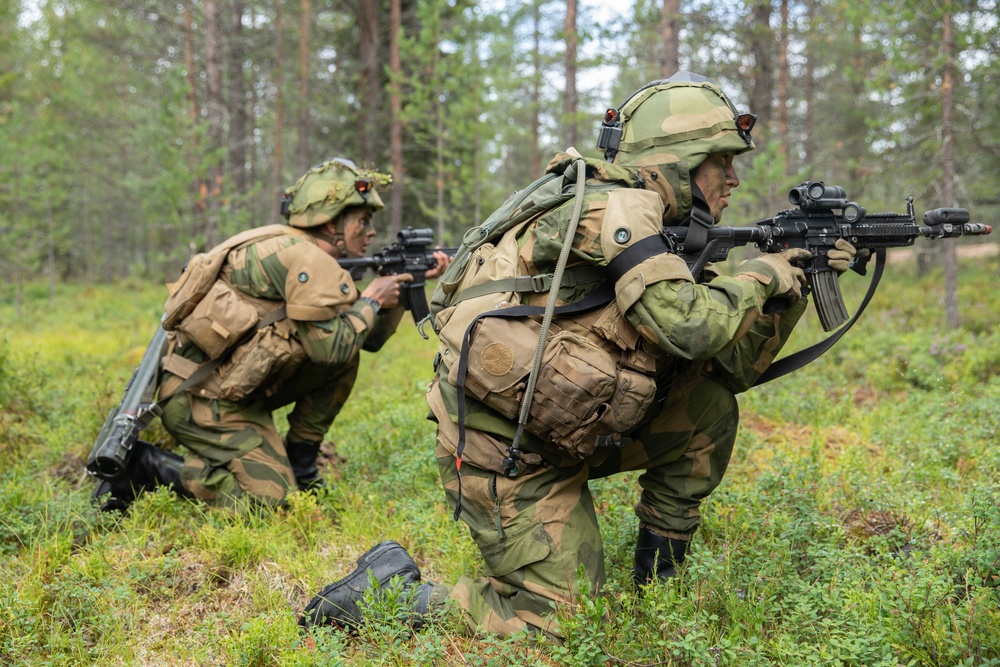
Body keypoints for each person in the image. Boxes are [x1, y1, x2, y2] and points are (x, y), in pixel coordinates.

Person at [300, 74, 856, 637]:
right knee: (559, 624)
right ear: (679, 162)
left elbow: (731, 366)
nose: (733, 178)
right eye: (721, 162)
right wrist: (766, 273)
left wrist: (796, 282)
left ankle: (659, 587)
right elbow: (690, 327)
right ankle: (384, 594)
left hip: (569, 425)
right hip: (505, 453)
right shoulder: (612, 209)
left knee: (707, 408)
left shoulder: (663, 231)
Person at [93, 158, 449, 512]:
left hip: (230, 387)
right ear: (331, 221)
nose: (370, 232)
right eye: (362, 221)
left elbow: (362, 340)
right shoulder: (307, 260)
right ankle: (146, 468)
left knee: (346, 350)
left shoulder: (291, 247)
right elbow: (332, 350)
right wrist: (372, 299)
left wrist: (400, 291)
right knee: (270, 503)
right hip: (198, 400)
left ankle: (301, 466)